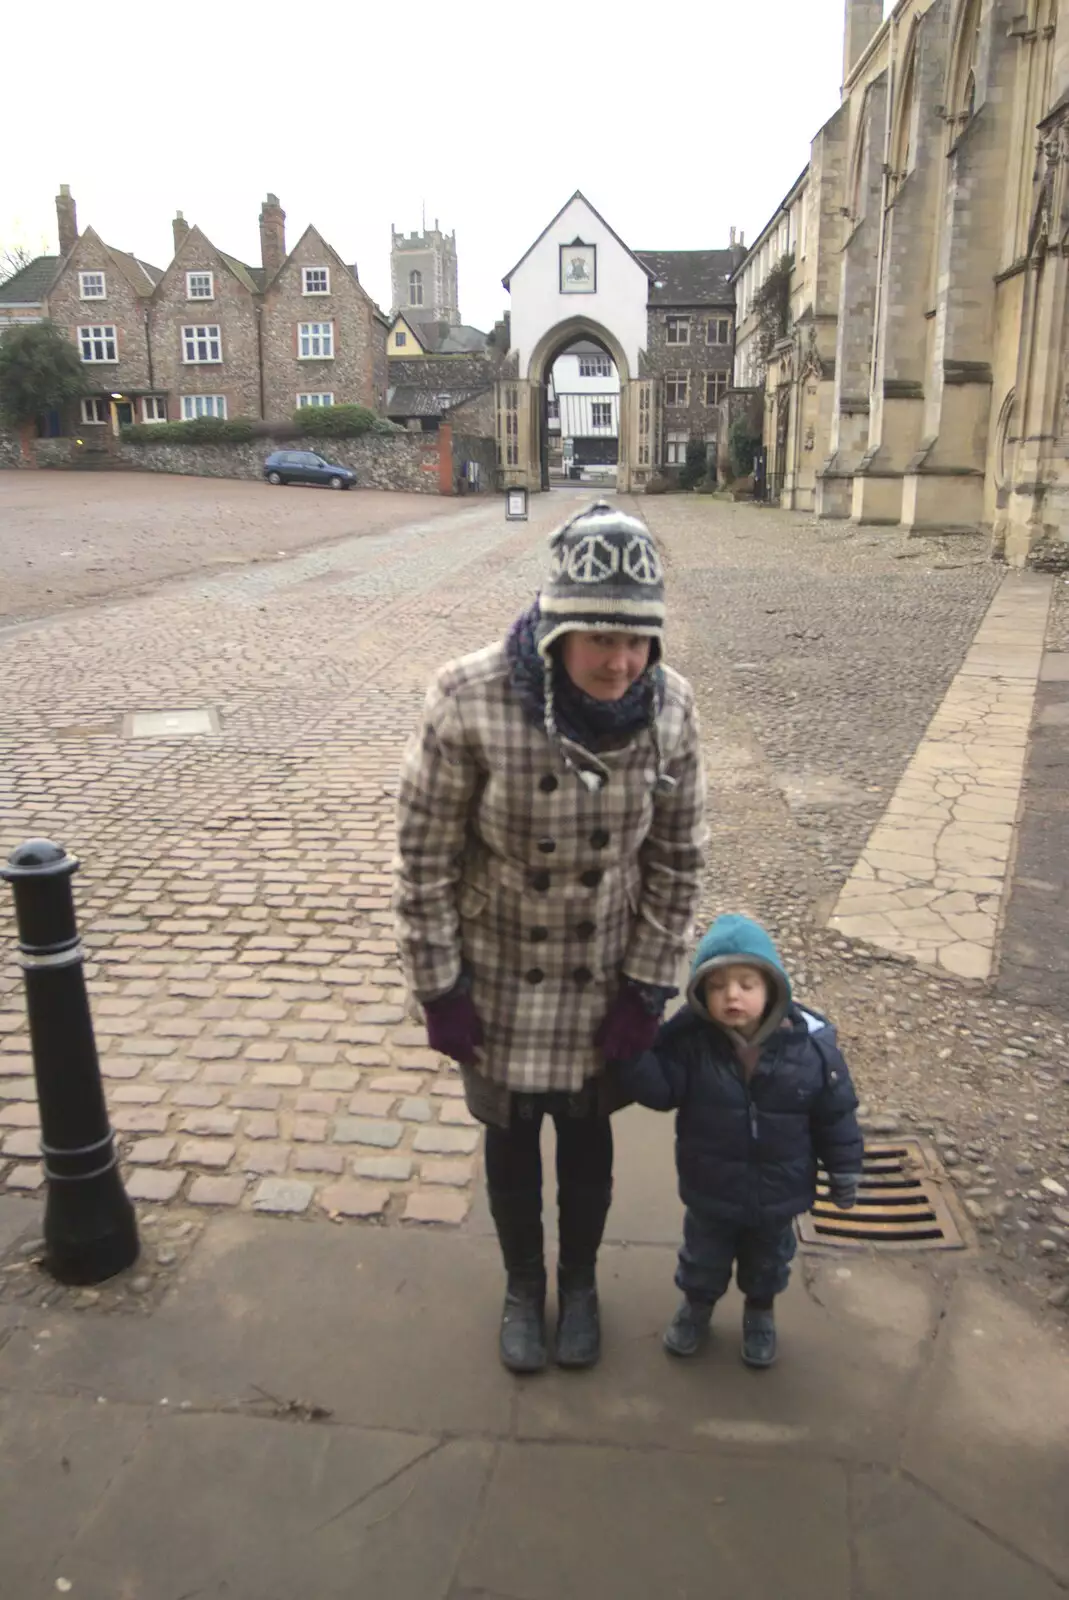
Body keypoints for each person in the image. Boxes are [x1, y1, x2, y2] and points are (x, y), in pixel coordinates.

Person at [394, 501, 706, 1374]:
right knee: (510, 1136)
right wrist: (439, 987)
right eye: (599, 637)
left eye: (638, 640)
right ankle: (521, 1286)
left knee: (584, 1134)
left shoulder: (671, 709)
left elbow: (679, 860)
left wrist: (647, 987)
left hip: (600, 971)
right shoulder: (471, 696)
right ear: (555, 628)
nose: (620, 661)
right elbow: (422, 859)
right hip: (497, 970)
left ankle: (581, 1284)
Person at [616, 913, 863, 1368]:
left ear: (772, 988)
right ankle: (697, 1307)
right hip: (713, 1187)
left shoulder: (810, 1050)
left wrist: (844, 1169)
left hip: (779, 1191)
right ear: (700, 995)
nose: (732, 995)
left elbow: (836, 1115)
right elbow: (660, 1090)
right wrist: (629, 1050)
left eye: (746, 984)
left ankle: (760, 1313)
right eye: (717, 986)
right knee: (702, 1257)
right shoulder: (692, 1045)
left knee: (768, 1262)